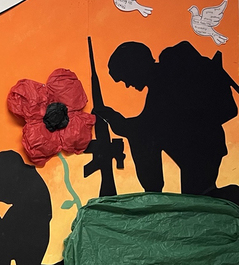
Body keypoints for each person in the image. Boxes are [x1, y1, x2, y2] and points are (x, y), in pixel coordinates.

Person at [97, 41, 238, 198]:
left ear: (136, 67)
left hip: (201, 148)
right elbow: (149, 124)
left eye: (126, 78)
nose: (128, 85)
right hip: (201, 147)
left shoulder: (167, 79)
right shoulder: (162, 82)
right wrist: (119, 122)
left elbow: (147, 127)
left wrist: (119, 122)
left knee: (200, 198)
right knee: (199, 197)